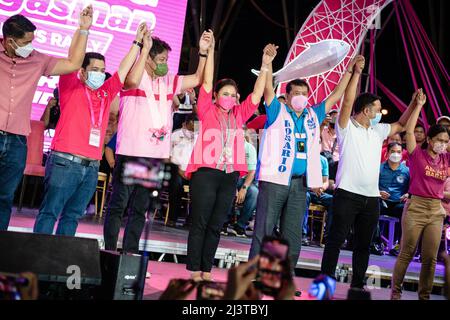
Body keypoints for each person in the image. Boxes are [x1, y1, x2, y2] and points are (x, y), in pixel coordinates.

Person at [249, 49, 364, 273]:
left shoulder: (314, 114)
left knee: (292, 234)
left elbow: (336, 95)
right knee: (263, 228)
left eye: (304, 92)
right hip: (274, 181)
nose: (301, 96)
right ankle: (253, 273)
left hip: (300, 184)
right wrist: (268, 63)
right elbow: (267, 90)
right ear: (288, 95)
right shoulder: (276, 110)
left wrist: (350, 70)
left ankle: (286, 276)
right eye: (296, 92)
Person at [32, 23, 152, 236]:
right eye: (94, 70)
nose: (99, 73)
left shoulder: (106, 92)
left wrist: (137, 42)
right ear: (82, 71)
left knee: (73, 216)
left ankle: (58, 264)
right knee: (50, 212)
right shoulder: (70, 85)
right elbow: (74, 57)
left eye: (102, 70)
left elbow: (123, 70)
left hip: (91, 167)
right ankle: (36, 263)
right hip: (65, 161)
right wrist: (84, 29)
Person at [103, 30, 213, 253]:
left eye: (166, 59)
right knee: (118, 206)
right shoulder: (133, 76)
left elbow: (198, 79)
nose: (165, 64)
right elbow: (131, 80)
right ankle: (109, 253)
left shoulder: (169, 81)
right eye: (161, 59)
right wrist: (143, 48)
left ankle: (130, 253)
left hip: (152, 158)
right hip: (130, 152)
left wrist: (203, 53)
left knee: (140, 209)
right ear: (149, 59)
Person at [320, 55, 421, 290]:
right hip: (346, 194)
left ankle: (357, 285)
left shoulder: (377, 130)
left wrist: (414, 104)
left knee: (363, 245)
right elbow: (347, 103)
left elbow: (402, 125)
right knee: (335, 240)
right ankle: (325, 282)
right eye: (376, 109)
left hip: (371, 198)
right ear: (366, 110)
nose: (379, 113)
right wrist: (356, 73)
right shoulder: (346, 128)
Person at [184, 39, 276, 282]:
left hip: (229, 176)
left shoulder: (239, 113)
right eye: (224, 94)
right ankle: (194, 269)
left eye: (233, 95)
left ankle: (206, 270)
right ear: (215, 95)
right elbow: (206, 80)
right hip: (205, 173)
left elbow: (257, 94)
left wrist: (265, 65)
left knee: (216, 225)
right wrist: (211, 50)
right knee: (200, 223)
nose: (229, 97)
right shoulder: (207, 109)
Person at [0, 7, 95, 231]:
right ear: (10, 41)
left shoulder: (38, 60)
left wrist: (83, 30)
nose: (30, 47)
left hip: (17, 141)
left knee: (4, 198)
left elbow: (72, 63)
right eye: (26, 42)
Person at [391, 91, 449, 300]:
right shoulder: (417, 155)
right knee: (406, 252)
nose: (443, 143)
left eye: (446, 140)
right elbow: (407, 133)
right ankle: (395, 293)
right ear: (430, 139)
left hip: (435, 210)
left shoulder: (446, 160)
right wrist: (418, 106)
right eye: (439, 139)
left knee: (430, 258)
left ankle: (424, 297)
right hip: (415, 207)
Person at [226, 129, 259, 237]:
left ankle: (240, 225)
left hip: (244, 180)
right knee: (228, 190)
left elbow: (252, 171)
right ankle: (224, 223)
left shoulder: (250, 148)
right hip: (229, 178)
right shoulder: (228, 147)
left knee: (254, 192)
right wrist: (233, 186)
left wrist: (244, 188)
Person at [167, 114, 197, 227]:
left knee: (200, 189)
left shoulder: (199, 137)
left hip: (194, 172)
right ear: (189, 122)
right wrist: (179, 170)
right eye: (195, 123)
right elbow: (168, 155)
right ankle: (172, 218)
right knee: (176, 185)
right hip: (177, 169)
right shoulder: (176, 135)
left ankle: (190, 221)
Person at [302, 155, 333, 245]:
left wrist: (322, 188)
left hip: (319, 192)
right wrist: (312, 187)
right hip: (306, 190)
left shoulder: (323, 160)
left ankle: (327, 236)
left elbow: (326, 181)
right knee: (305, 197)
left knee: (333, 201)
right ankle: (303, 234)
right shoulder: (305, 157)